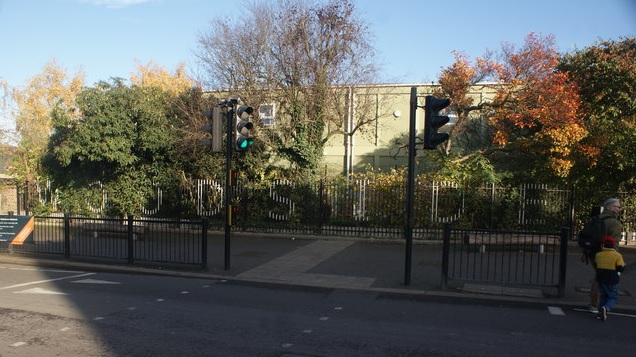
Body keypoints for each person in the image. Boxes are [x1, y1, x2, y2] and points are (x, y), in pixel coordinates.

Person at [585, 198, 623, 312]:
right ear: (610, 207)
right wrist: (616, 258)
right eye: (618, 207)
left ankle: (594, 301)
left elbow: (587, 235)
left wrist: (585, 252)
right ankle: (595, 303)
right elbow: (615, 243)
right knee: (601, 277)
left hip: (593, 252)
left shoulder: (595, 219)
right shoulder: (614, 223)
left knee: (599, 275)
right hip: (606, 254)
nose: (619, 209)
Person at [595, 236, 625, 321]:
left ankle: (599, 312)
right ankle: (606, 308)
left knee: (603, 296)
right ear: (614, 245)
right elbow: (621, 268)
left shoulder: (598, 255)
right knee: (612, 297)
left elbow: (596, 264)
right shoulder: (617, 255)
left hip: (600, 278)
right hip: (612, 279)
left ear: (603, 245)